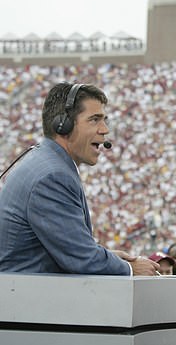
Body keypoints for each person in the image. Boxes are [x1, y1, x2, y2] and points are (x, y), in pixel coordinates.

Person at [0, 82, 157, 276]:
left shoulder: (46, 161)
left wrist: (106, 257)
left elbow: (70, 250)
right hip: (26, 301)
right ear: (63, 124)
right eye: (94, 119)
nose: (105, 129)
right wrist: (130, 268)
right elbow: (82, 259)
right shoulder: (53, 176)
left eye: (104, 119)